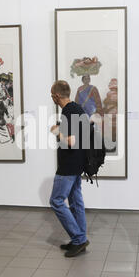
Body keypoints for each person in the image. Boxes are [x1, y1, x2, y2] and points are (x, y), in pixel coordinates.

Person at [49, 80, 90, 257]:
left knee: (56, 201)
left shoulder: (68, 111)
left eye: (52, 95)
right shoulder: (78, 109)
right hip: (78, 163)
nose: (51, 98)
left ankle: (79, 238)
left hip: (68, 165)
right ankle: (79, 240)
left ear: (57, 96)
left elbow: (71, 141)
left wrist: (56, 131)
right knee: (75, 201)